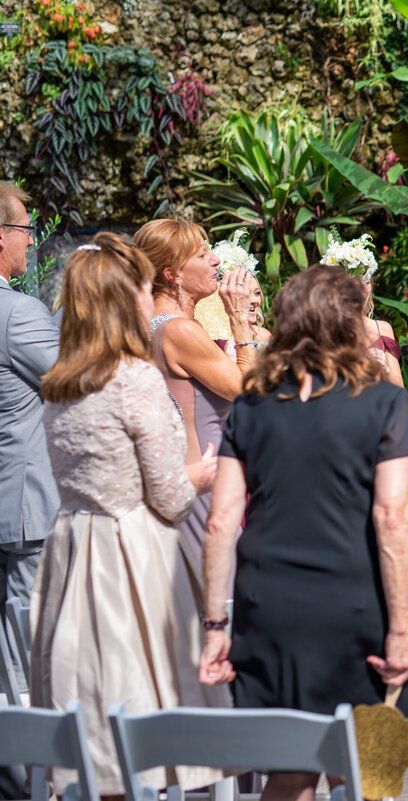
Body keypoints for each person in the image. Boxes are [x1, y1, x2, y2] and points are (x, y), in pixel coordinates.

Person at [198, 265, 408, 801]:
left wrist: (215, 625)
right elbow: (392, 517)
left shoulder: (252, 402)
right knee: (374, 771)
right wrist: (402, 630)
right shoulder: (384, 402)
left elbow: (221, 520)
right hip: (356, 606)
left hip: (269, 607)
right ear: (351, 324)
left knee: (290, 771)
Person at [30, 234, 229, 797]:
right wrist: (202, 475)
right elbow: (167, 496)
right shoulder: (133, 379)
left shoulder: (61, 385)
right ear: (124, 300)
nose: (149, 298)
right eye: (143, 288)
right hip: (129, 554)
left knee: (86, 700)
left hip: (69, 550)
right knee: (137, 702)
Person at [134, 219, 258, 568]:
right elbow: (248, 393)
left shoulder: (152, 323)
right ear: (172, 274)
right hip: (201, 474)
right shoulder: (179, 329)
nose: (216, 260)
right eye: (203, 255)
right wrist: (239, 323)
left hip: (183, 471)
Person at [0, 183, 57, 619]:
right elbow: (73, 381)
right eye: (25, 228)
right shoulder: (18, 311)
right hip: (24, 506)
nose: (32, 239)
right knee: (29, 642)